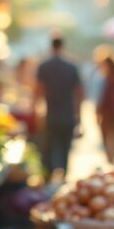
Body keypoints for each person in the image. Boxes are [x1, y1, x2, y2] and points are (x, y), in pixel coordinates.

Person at [33, 34, 84, 177]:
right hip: (68, 115)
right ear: (62, 46)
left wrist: (35, 112)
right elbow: (79, 94)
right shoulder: (72, 66)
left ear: (51, 46)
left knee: (49, 147)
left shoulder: (44, 66)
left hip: (51, 115)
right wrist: (79, 117)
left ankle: (49, 175)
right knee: (66, 148)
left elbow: (38, 91)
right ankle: (64, 173)